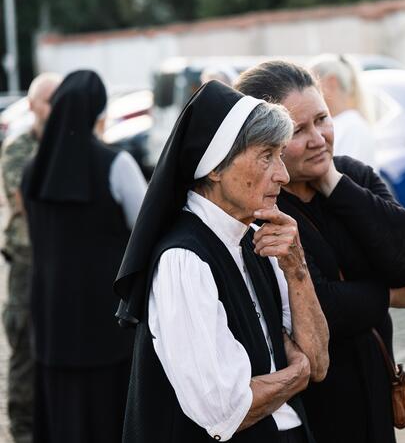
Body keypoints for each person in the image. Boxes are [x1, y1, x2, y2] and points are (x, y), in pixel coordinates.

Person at [114, 80, 329, 443]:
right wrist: (296, 374)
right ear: (214, 166)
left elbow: (318, 361)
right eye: (266, 156)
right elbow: (225, 410)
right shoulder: (184, 260)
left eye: (281, 155)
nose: (283, 174)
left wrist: (297, 268)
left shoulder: (259, 238)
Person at [236, 60, 405, 443]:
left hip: (375, 396)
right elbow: (321, 304)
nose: (318, 138)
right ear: (264, 142)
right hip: (314, 409)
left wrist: (331, 179)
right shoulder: (263, 209)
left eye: (322, 119)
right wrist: (394, 296)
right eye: (298, 130)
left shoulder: (352, 176)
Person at [21, 70, 148, 443]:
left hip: (49, 316)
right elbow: (145, 229)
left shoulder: (32, 170)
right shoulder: (115, 165)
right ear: (99, 111)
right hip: (102, 319)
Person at [0, 72, 60, 443]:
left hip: (62, 260)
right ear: (34, 105)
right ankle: (23, 428)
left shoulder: (72, 145)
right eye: (49, 100)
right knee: (24, 337)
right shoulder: (20, 148)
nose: (55, 109)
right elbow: (26, 201)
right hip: (27, 258)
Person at [309, 54, 376, 168]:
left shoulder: (353, 128)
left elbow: (348, 179)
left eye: (311, 84)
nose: (307, 92)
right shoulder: (341, 124)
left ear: (331, 83)